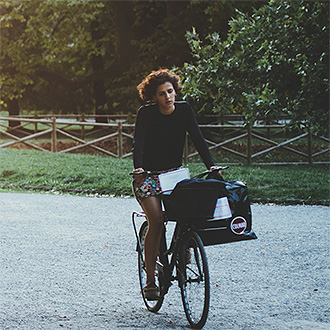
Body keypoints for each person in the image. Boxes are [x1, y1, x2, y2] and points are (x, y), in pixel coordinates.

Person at [132, 68, 219, 300]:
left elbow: (198, 139)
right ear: (154, 96)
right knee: (157, 220)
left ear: (175, 91)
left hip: (174, 174)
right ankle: (150, 281)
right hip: (148, 176)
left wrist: (211, 166)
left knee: (190, 210)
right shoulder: (146, 113)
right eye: (162, 93)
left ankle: (184, 245)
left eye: (170, 91)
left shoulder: (185, 110)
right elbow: (138, 142)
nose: (167, 97)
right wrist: (138, 167)